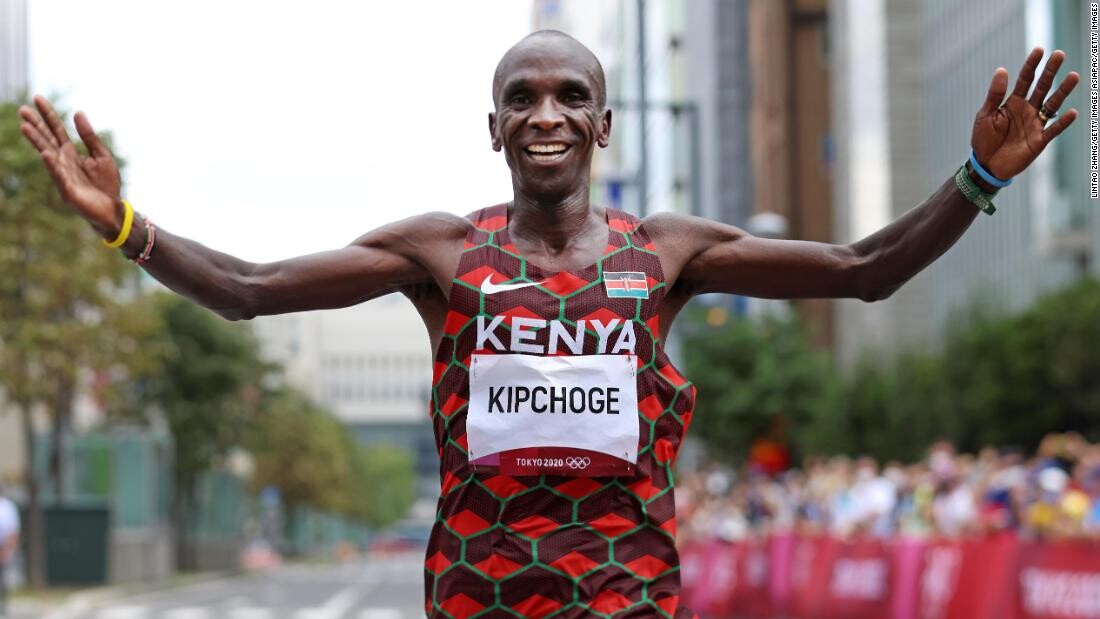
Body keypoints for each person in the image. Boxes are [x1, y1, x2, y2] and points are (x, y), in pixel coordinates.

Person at [17, 30, 1079, 618]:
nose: (545, 113)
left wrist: (977, 177)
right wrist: (123, 225)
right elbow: (249, 286)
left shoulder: (663, 254)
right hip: (476, 598)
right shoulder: (441, 253)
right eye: (521, 98)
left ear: (602, 123)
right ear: (493, 127)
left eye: (570, 95)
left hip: (627, 597)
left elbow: (863, 270)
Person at [0, 483, 20, 618]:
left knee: (3, 577)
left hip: (3, 546)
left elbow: (13, 530)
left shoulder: (7, 507)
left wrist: (9, 549)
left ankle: (3, 605)